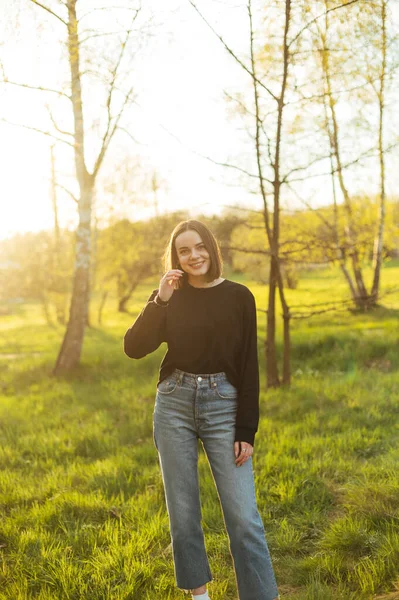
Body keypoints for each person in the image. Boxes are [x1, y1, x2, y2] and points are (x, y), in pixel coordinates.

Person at [123, 220, 279, 600]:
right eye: (184, 251)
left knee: (243, 517)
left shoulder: (239, 296)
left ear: (212, 247)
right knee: (183, 512)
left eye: (199, 247)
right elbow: (133, 346)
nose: (194, 256)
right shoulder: (170, 296)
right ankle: (199, 596)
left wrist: (246, 430)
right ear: (175, 257)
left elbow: (247, 365)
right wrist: (158, 299)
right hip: (174, 402)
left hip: (223, 405)